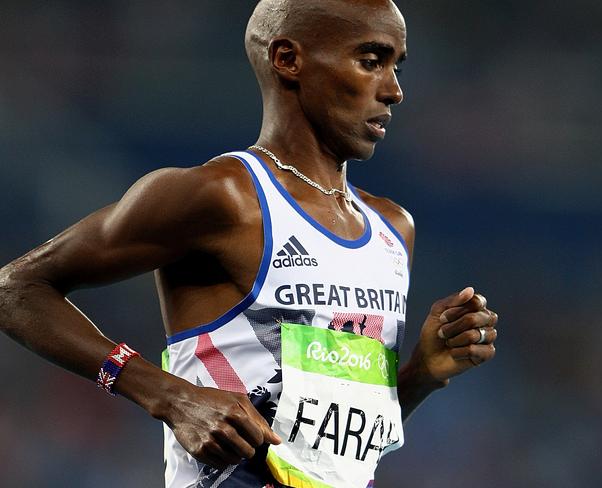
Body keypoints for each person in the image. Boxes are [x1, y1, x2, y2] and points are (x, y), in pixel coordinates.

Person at [0, 0, 498, 486]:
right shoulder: (222, 197)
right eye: (371, 61)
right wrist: (168, 396)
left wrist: (418, 376)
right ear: (288, 59)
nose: (393, 91)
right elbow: (15, 289)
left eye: (397, 67)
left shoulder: (393, 229)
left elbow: (328, 458)